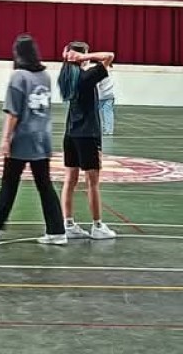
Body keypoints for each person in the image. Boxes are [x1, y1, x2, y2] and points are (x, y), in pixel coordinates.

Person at [0, 35, 67, 245]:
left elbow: (13, 112)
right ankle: (57, 230)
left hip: (22, 138)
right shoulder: (45, 76)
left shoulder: (18, 77)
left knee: (9, 183)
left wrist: (5, 138)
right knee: (45, 185)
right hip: (42, 137)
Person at [60, 42, 117, 240]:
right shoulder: (86, 77)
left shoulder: (66, 77)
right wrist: (84, 57)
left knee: (69, 180)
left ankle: (68, 223)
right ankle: (97, 225)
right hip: (88, 135)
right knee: (92, 183)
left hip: (70, 134)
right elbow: (109, 55)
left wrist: (73, 57)